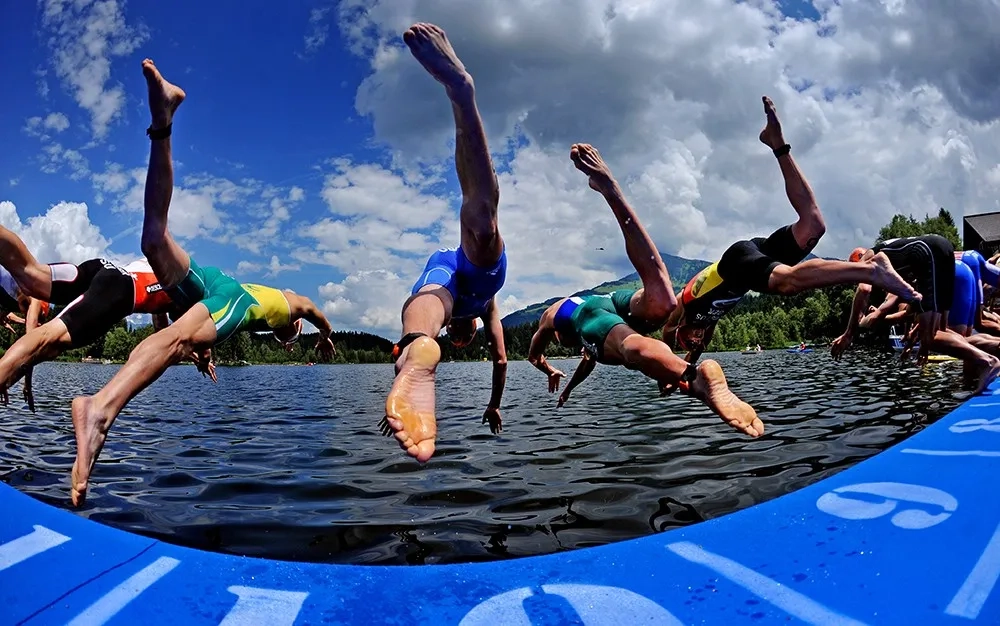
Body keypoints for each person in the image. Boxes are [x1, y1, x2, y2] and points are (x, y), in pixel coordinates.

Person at [66, 59, 337, 506]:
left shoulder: (262, 310)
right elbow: (315, 309)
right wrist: (325, 336)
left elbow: (199, 313)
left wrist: (204, 348)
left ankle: (162, 124)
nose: (290, 338)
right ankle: (99, 408)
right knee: (176, 339)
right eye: (293, 337)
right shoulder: (289, 306)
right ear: (296, 328)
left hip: (211, 281)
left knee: (154, 239)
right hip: (230, 295)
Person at [660, 97, 921, 387]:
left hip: (735, 262)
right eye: (696, 340)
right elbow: (697, 348)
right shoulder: (708, 324)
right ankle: (777, 144)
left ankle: (871, 271)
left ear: (683, 328)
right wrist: (687, 367)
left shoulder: (682, 309)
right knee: (813, 226)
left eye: (691, 337)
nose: (696, 339)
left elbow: (666, 333)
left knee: (787, 283)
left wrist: (668, 365)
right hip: (753, 256)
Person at [527, 143, 764, 438]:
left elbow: (533, 355)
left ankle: (692, 377)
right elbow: (587, 361)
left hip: (586, 313)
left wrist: (548, 369)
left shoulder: (552, 316)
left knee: (626, 350)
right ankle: (612, 191)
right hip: (614, 302)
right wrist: (570, 389)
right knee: (662, 302)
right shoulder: (590, 332)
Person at [381, 23, 508, 463]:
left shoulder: (454, 304)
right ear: (468, 331)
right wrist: (494, 402)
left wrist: (411, 356)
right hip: (464, 274)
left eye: (451, 339)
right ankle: (461, 91)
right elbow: (502, 359)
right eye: (460, 338)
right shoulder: (486, 309)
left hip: (444, 285)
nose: (459, 335)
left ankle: (416, 349)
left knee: (426, 305)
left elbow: (434, 305)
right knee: (481, 221)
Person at [0, 257, 177, 410]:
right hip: (118, 284)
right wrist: (27, 385)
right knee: (48, 340)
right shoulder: (180, 284)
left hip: (97, 267)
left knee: (49, 344)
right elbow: (32, 339)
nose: (30, 314)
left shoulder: (156, 264)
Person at [832, 235, 1000, 394]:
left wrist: (850, 333)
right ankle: (994, 348)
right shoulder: (895, 264)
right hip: (945, 254)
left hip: (933, 256)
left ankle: (987, 361)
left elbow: (866, 291)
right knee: (948, 335)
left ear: (856, 260)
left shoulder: (869, 257)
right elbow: (903, 307)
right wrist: (908, 334)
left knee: (932, 337)